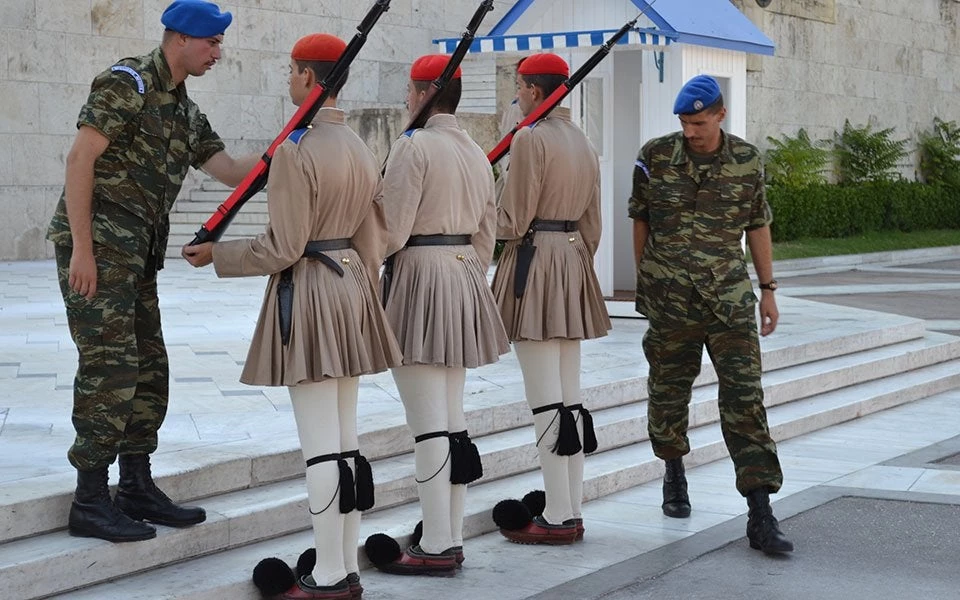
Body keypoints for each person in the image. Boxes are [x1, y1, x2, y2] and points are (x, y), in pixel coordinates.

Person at [183, 31, 402, 599]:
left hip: (310, 291)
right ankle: (343, 562)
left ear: (308, 78)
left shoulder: (295, 150)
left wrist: (218, 255)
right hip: (351, 285)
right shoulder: (357, 144)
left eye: (290, 71)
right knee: (345, 439)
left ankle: (329, 575)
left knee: (321, 445)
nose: (286, 80)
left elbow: (284, 246)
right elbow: (372, 237)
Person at [46, 0, 260, 544]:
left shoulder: (184, 109)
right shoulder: (129, 83)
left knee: (149, 367)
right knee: (108, 368)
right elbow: (80, 159)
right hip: (99, 249)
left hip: (138, 254)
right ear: (182, 38)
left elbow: (228, 170)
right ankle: (90, 499)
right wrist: (82, 251)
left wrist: (286, 155)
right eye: (211, 42)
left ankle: (136, 485)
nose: (218, 53)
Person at [629, 74, 793, 554]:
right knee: (667, 393)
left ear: (720, 114)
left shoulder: (746, 161)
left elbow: (757, 225)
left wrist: (768, 289)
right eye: (684, 121)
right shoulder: (656, 156)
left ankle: (760, 512)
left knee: (745, 400)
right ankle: (673, 471)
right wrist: (648, 282)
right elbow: (639, 218)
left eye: (699, 121)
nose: (690, 130)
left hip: (727, 300)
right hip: (671, 299)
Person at [370, 54, 509, 576]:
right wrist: (467, 269)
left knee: (429, 424)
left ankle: (435, 547)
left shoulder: (413, 146)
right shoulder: (475, 148)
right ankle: (444, 533)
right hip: (464, 272)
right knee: (451, 419)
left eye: (410, 91)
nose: (406, 100)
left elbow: (394, 230)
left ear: (426, 93)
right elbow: (487, 229)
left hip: (421, 276)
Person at [490, 52, 611, 545]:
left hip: (534, 261)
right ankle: (571, 507)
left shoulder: (530, 138)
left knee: (546, 400)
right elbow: (594, 224)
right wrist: (573, 262)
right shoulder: (582, 141)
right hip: (572, 260)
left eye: (519, 88)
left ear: (535, 91)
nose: (515, 97)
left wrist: (486, 190)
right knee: (569, 398)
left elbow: (511, 220)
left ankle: (558, 516)